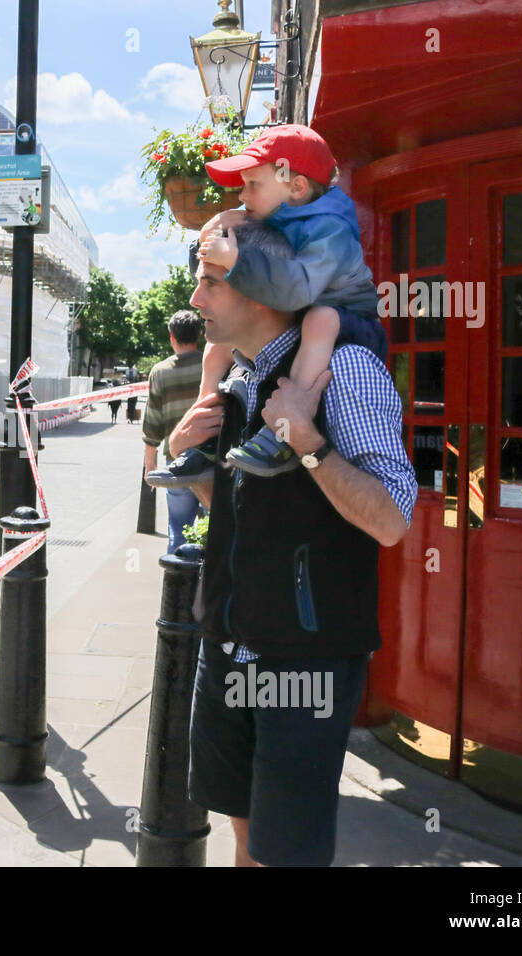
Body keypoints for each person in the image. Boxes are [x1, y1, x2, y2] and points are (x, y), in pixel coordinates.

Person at [169, 220, 416, 867]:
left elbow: (391, 519)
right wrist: (187, 459)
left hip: (303, 661)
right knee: (246, 831)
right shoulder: (238, 383)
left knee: (288, 853)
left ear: (257, 290)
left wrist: (306, 443)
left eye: (210, 284)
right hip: (227, 642)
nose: (196, 301)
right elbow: (246, 510)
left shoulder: (344, 373)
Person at [149, 124, 386, 487]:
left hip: (348, 319)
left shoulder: (330, 229)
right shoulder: (281, 217)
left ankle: (283, 430)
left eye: (252, 185)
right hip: (305, 313)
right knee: (215, 349)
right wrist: (209, 232)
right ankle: (206, 438)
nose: (242, 196)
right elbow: (212, 275)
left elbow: (298, 290)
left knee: (320, 321)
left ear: (296, 187)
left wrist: (236, 261)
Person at [141, 310, 206, 553]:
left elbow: (152, 426)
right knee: (216, 529)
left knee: (178, 529)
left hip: (176, 462)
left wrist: (150, 468)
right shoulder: (212, 363)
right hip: (213, 461)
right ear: (199, 334)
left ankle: (177, 585)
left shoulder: (160, 371)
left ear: (171, 337)